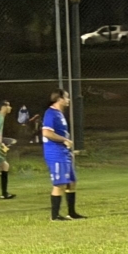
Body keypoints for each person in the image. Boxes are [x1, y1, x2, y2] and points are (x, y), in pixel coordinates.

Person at [42, 89, 85, 221]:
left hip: (63, 152)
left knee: (71, 182)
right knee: (59, 184)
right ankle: (54, 216)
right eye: (66, 97)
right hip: (55, 153)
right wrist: (64, 140)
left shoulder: (59, 113)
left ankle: (71, 213)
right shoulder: (51, 113)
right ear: (59, 99)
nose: (68, 100)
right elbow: (46, 133)